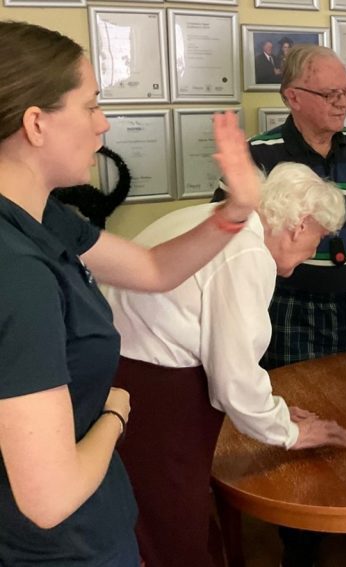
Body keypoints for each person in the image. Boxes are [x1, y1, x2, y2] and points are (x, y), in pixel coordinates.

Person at [0, 21, 260, 565]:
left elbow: (152, 268)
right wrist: (115, 412)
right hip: (58, 550)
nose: (104, 123)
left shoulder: (39, 216)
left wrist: (236, 211)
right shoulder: (18, 272)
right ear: (36, 124)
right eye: (91, 105)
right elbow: (49, 499)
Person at [106, 163, 346, 567]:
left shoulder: (220, 219)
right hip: (154, 391)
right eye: (319, 238)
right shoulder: (247, 252)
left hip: (126, 374)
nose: (315, 251)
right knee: (172, 527)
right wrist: (290, 432)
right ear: (300, 225)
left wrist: (271, 410)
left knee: (160, 517)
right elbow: (233, 378)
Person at [213, 44, 346, 565]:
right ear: (292, 96)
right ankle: (300, 538)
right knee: (300, 415)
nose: (342, 102)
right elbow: (223, 237)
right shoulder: (260, 153)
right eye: (329, 93)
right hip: (293, 309)